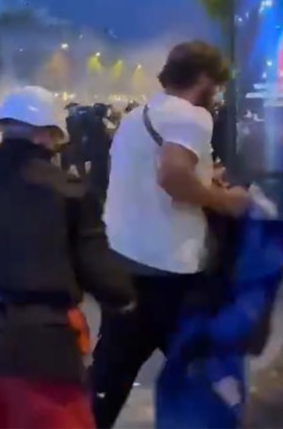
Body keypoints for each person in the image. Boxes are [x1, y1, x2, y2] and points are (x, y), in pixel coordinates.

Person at [0, 86, 135, 429]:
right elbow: (99, 270)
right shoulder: (68, 191)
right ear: (45, 134)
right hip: (42, 350)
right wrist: (126, 296)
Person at [92, 40, 246, 429]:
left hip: (123, 260)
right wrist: (224, 201)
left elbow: (148, 176)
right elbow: (173, 175)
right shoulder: (191, 116)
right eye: (216, 86)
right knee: (200, 372)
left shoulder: (136, 116)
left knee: (110, 375)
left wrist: (204, 178)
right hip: (169, 268)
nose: (216, 95)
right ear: (204, 79)